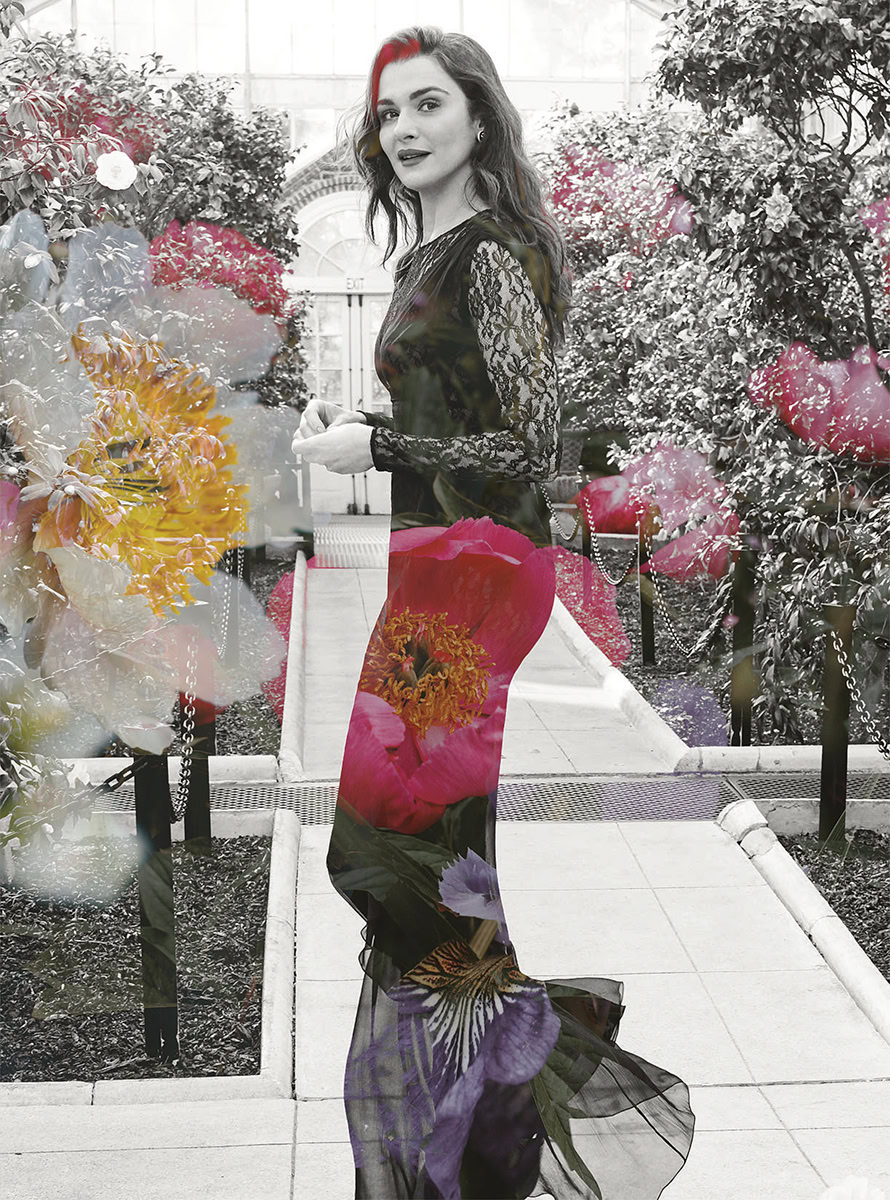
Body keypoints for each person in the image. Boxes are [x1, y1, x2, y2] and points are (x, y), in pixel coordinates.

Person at [292, 25, 695, 1200]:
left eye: (426, 105)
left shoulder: (499, 252)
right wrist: (382, 428)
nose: (401, 129)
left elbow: (528, 447)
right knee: (412, 864)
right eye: (386, 113)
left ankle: (504, 1097)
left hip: (471, 576)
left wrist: (376, 443)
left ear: (478, 114)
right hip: (434, 568)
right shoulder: (438, 249)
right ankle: (461, 1132)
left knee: (386, 856)